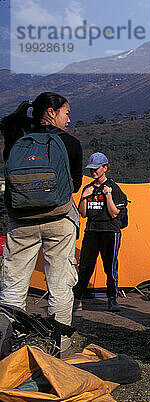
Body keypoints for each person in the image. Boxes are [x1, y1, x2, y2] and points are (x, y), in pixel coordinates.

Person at [0, 92, 82, 351]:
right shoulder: (69, 142)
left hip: (21, 221)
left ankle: (7, 343)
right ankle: (60, 345)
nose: (68, 119)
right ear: (51, 113)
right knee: (59, 283)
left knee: (13, 285)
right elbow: (76, 184)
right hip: (59, 219)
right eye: (66, 113)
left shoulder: (16, 138)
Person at [73, 152, 128, 312]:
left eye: (96, 169)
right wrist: (84, 197)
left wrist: (108, 196)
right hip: (92, 230)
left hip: (110, 231)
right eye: (91, 169)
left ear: (105, 168)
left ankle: (112, 298)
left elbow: (114, 214)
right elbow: (82, 213)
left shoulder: (113, 188)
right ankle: (78, 298)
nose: (93, 172)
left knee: (110, 265)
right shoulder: (88, 188)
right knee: (85, 266)